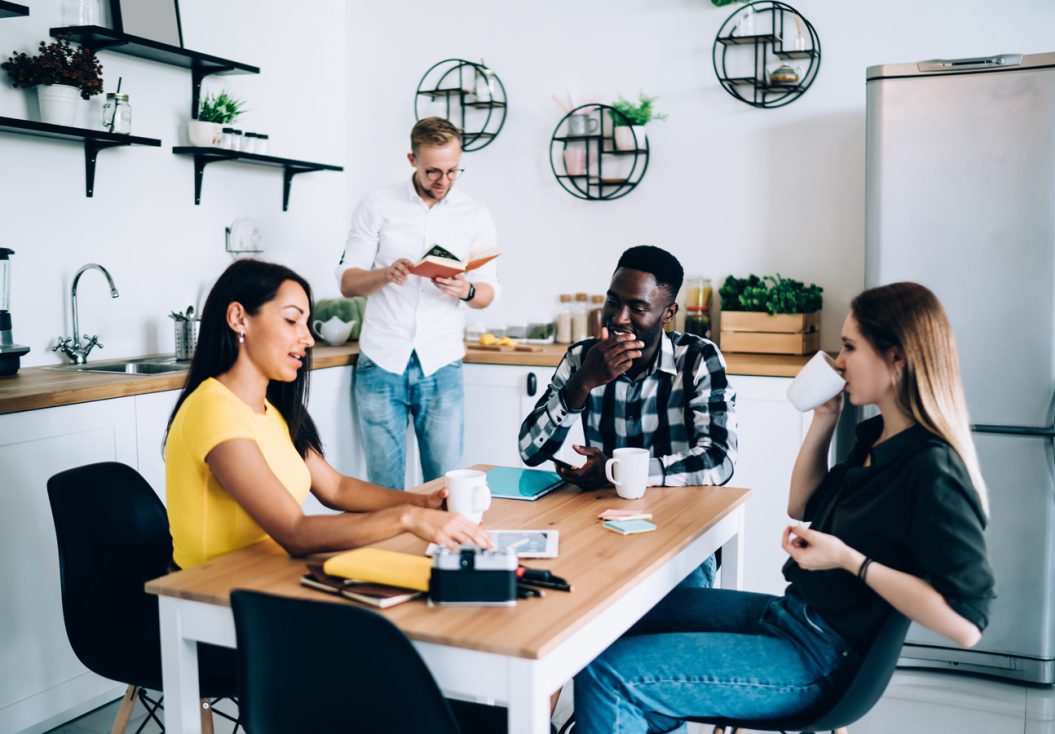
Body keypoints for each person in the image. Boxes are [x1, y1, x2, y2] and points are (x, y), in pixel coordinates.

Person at [572, 282, 996, 733]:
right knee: (613, 619)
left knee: (608, 674)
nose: (837, 362)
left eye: (850, 348)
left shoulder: (933, 469)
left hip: (819, 658)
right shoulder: (879, 438)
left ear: (897, 359)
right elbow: (801, 504)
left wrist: (850, 561)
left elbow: (966, 625)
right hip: (793, 617)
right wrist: (824, 420)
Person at [164, 259, 490, 570]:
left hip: (267, 574)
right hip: (210, 594)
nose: (307, 339)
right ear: (238, 318)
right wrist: (408, 518)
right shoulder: (213, 409)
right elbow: (294, 532)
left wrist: (423, 504)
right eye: (292, 320)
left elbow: (336, 488)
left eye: (306, 323)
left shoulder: (273, 410)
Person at [517, 245, 737, 588]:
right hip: (600, 525)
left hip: (679, 530)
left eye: (637, 307)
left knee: (674, 618)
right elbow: (530, 451)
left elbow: (718, 460)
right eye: (613, 301)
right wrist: (582, 383)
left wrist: (614, 472)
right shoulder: (582, 358)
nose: (619, 317)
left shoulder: (697, 358)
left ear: (668, 312)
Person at [337, 116, 499, 489]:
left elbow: (488, 291)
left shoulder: (475, 215)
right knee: (383, 490)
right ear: (412, 160)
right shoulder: (376, 205)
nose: (443, 181)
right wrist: (385, 275)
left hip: (441, 363)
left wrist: (467, 291)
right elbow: (348, 282)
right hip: (381, 361)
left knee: (444, 486)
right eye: (432, 172)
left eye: (453, 171)